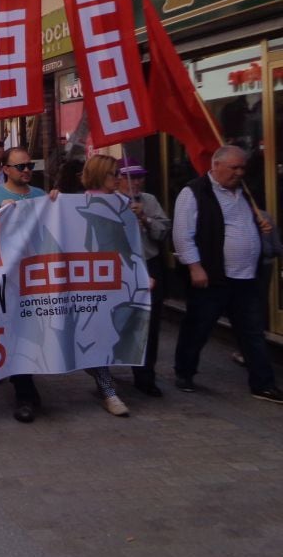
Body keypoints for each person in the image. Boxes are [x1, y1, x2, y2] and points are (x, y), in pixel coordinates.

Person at [172, 145, 283, 402]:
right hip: (213, 276)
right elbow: (182, 234)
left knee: (252, 331)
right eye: (234, 168)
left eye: (242, 168)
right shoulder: (194, 192)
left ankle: (263, 384)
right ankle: (184, 372)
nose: (239, 173)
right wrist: (195, 267)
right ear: (216, 165)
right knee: (198, 327)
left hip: (247, 277)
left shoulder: (245, 191)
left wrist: (261, 224)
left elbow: (243, 223)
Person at [0, 147, 48, 423]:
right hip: (7, 277)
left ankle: (26, 384)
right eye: (21, 167)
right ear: (6, 169)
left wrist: (56, 202)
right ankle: (24, 394)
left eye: (30, 165)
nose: (27, 170)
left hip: (37, 274)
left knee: (35, 331)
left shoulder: (40, 195)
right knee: (18, 332)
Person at [74, 155, 133, 416]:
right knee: (98, 333)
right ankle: (109, 391)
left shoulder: (125, 204)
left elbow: (131, 245)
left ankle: (97, 371)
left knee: (115, 330)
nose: (119, 178)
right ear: (99, 175)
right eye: (113, 173)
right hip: (92, 280)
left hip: (121, 279)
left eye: (119, 173)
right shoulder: (78, 204)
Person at [117, 158, 171, 397]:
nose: (135, 182)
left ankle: (146, 375)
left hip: (148, 264)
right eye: (130, 177)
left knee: (149, 322)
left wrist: (145, 219)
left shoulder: (149, 201)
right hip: (121, 268)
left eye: (139, 177)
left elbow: (164, 231)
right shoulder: (108, 201)